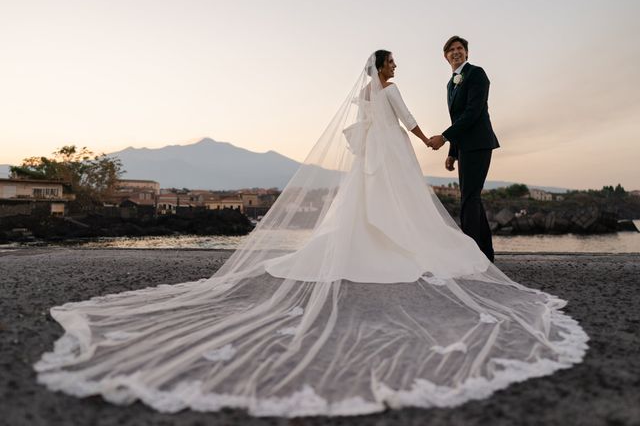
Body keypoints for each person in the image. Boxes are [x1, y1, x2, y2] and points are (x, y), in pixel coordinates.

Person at [35, 51, 588, 418]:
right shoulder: (389, 93)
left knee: (368, 204)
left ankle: (368, 242)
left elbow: (362, 128)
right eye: (393, 60)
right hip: (393, 152)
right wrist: (428, 140)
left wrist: (427, 139)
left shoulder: (364, 97)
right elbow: (410, 119)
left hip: (374, 156)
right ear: (384, 67)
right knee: (403, 206)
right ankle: (418, 246)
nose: (397, 64)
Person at [428, 36, 499, 262]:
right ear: (445, 56)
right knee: (472, 198)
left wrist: (445, 137)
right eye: (451, 50)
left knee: (468, 198)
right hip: (465, 147)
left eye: (460, 48)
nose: (456, 52)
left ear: (467, 53)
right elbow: (456, 117)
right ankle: (485, 255)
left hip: (479, 143)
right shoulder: (451, 84)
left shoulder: (477, 74)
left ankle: (469, 257)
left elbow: (472, 113)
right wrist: (452, 153)